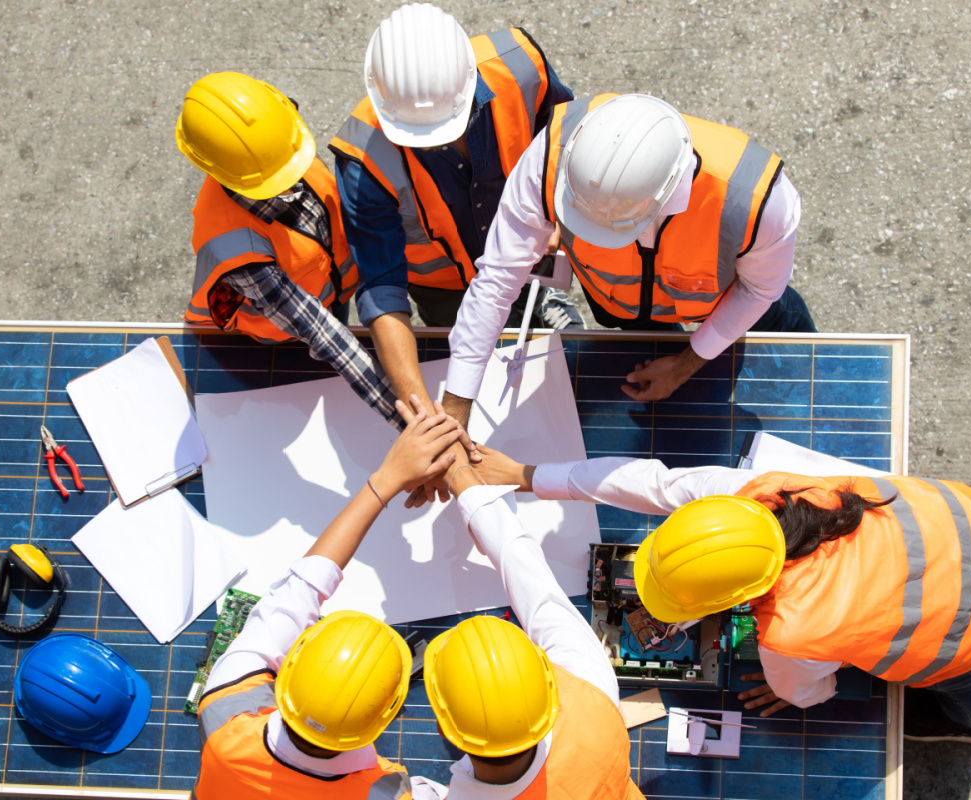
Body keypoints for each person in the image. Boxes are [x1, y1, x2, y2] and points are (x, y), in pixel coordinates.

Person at [470, 449, 971, 745]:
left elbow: (813, 693)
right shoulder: (761, 495)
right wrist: (527, 475)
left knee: (961, 678)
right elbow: (650, 482)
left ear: (741, 598)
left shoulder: (791, 629)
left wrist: (794, 685)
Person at [441, 92, 818, 427]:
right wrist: (456, 405)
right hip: (625, 310)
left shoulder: (756, 200)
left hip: (732, 303)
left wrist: (687, 365)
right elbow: (495, 284)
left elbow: (756, 291)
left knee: (814, 390)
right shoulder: (548, 160)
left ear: (665, 197)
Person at [329, 3, 578, 470]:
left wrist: (563, 215)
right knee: (460, 350)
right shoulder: (362, 157)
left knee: (550, 342)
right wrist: (428, 426)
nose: (438, 143)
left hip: (532, 261)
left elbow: (571, 140)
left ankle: (544, 312)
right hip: (445, 290)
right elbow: (383, 290)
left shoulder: (522, 67)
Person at [192, 396, 471, 799]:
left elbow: (299, 590)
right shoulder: (389, 791)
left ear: (291, 664)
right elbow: (302, 589)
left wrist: (386, 479)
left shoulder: (225, 712)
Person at [411, 451, 645, 797]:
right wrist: (460, 473)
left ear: (446, 732)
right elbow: (526, 570)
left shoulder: (596, 687)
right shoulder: (589, 693)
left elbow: (521, 563)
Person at [176, 72, 400, 426]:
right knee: (301, 380)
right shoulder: (235, 249)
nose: (291, 177)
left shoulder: (280, 146)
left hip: (330, 289)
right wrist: (405, 417)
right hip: (273, 333)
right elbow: (320, 332)